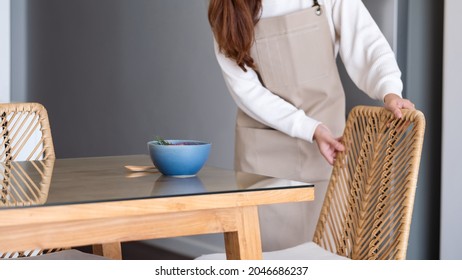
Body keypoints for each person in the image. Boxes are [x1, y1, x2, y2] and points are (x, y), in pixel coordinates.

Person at [207, 0, 415, 250]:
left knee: (326, 252)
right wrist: (309, 128)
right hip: (264, 155)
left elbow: (367, 41)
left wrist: (389, 89)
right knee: (260, 255)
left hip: (326, 148)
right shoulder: (227, 7)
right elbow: (246, 91)